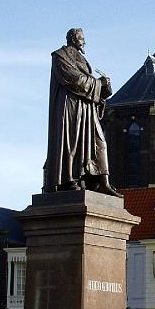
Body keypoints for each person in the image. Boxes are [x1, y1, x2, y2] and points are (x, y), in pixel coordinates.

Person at [44, 28, 121, 197]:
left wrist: (104, 89)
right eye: (81, 38)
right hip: (70, 107)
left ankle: (104, 182)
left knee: (100, 142)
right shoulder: (59, 56)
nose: (84, 42)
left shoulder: (82, 59)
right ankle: (70, 179)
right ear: (73, 39)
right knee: (72, 142)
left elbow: (87, 83)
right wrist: (98, 84)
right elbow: (73, 79)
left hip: (87, 108)